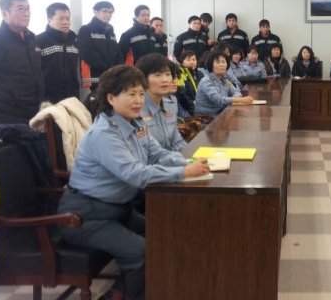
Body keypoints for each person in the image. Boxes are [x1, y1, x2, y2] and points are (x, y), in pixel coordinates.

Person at [57, 65, 209, 300]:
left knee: (163, 232)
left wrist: (187, 161)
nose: (138, 100)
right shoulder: (104, 134)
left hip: (119, 208)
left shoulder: (135, 123)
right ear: (111, 98)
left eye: (140, 93)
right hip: (86, 216)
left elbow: (158, 154)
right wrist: (183, 173)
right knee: (141, 251)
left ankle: (126, 291)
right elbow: (135, 174)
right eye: (131, 94)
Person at [0, 0, 44, 124]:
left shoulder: (32, 39)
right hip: (6, 115)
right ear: (5, 14)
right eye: (20, 9)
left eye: (28, 9)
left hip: (35, 112)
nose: (27, 13)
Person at [135, 54, 187, 155]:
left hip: (172, 160)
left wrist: (192, 157)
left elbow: (176, 142)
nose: (164, 80)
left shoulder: (171, 104)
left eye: (168, 74)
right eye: (158, 75)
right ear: (143, 79)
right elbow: (146, 153)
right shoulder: (136, 109)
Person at [35, 2, 80, 103]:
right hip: (49, 99)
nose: (66, 22)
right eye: (61, 19)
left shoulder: (74, 40)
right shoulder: (38, 41)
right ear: (49, 19)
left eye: (68, 19)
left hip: (72, 97)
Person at [78, 1, 123, 90]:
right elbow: (86, 52)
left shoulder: (111, 31)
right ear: (95, 12)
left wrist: (117, 68)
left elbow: (117, 51)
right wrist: (107, 68)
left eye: (110, 12)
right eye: (104, 11)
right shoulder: (86, 30)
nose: (108, 15)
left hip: (113, 76)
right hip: (97, 78)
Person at [195, 52, 254, 117]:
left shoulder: (225, 80)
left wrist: (236, 97)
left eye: (223, 62)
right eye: (217, 62)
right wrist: (240, 100)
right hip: (207, 117)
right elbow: (218, 99)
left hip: (221, 112)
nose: (221, 65)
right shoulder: (206, 81)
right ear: (211, 65)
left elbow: (236, 91)